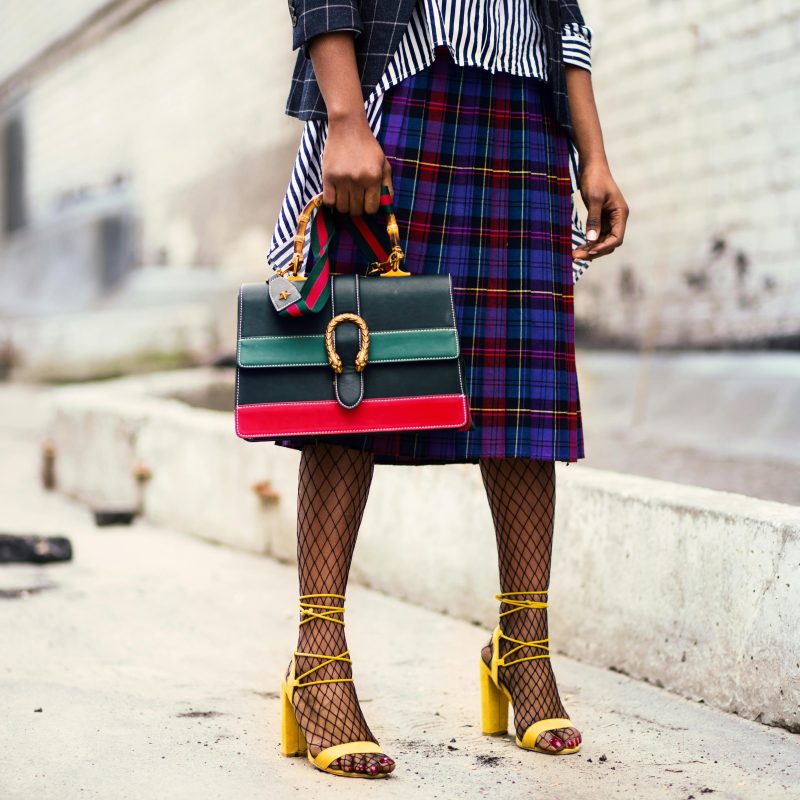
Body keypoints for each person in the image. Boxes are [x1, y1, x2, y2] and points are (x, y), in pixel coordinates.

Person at [270, 0, 629, 779]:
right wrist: (344, 117)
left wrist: (593, 154)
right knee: (354, 374)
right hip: (403, 93)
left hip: (529, 115)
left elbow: (563, 15)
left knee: (522, 393)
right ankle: (317, 660)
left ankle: (523, 650)